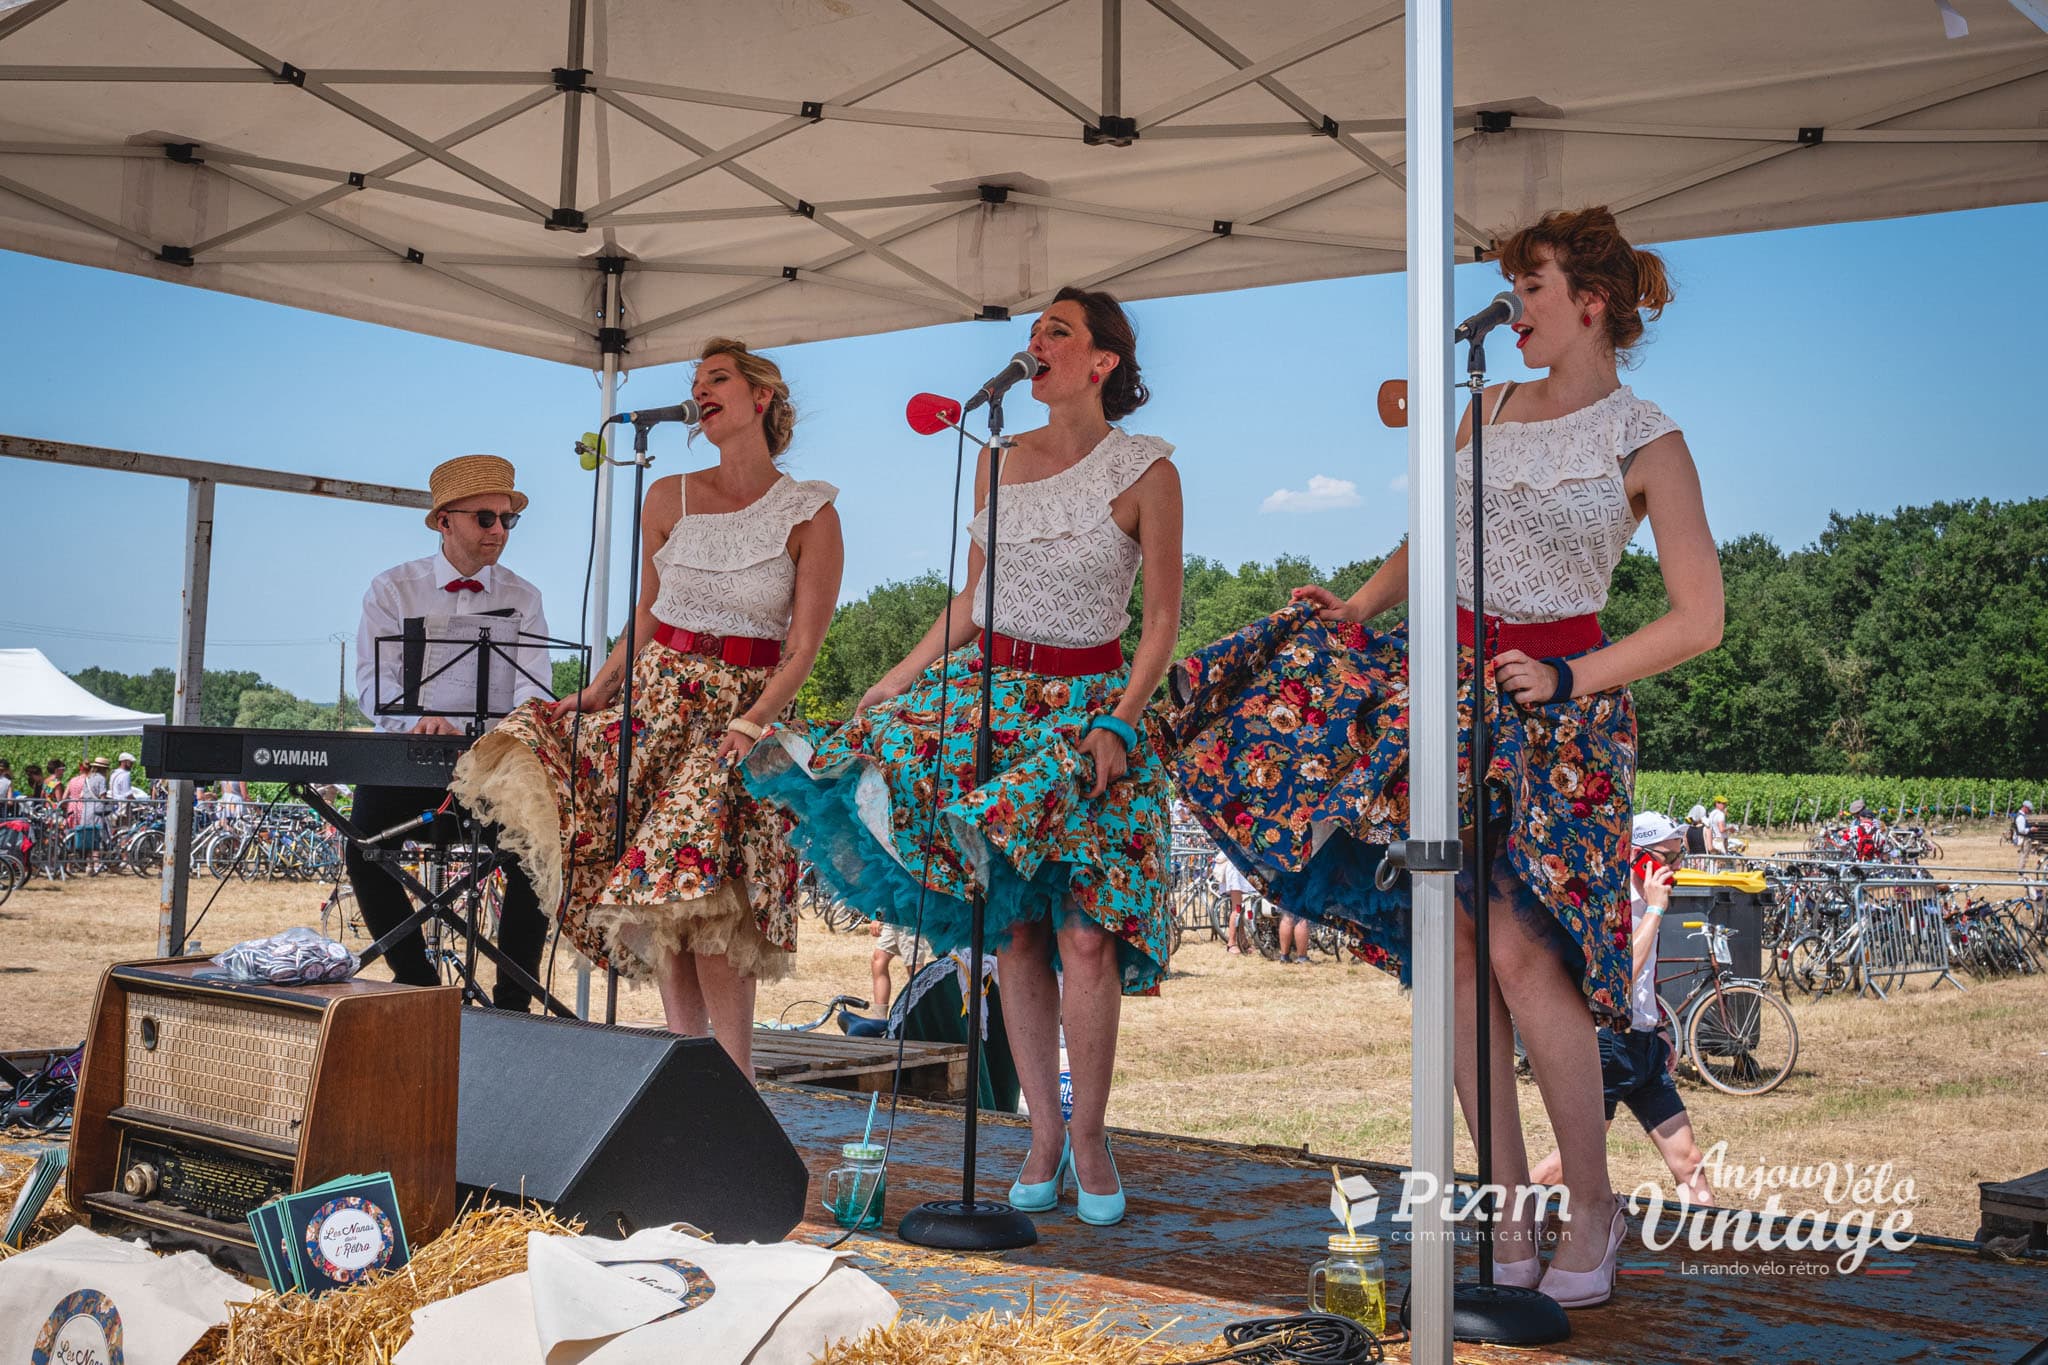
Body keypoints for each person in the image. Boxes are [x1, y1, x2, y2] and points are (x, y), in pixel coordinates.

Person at [1169, 206, 1722, 1307]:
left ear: (1590, 303)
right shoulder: (1484, 408)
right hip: (1442, 691)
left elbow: (1698, 617)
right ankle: (1506, 1207)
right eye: (1507, 289)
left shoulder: (1645, 436)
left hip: (1562, 714)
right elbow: (1435, 532)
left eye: (1529, 291)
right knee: (1457, 954)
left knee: (1526, 955)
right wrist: (1361, 604)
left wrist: (1570, 676)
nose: (1510, 310)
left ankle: (1593, 1209)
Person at [746, 286, 1182, 1228]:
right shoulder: (993, 461)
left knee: (1085, 931)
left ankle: (1093, 1131)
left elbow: (1160, 624)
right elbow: (974, 599)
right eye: (1032, 333)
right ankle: (1038, 1135)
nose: (1037, 345)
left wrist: (1121, 719)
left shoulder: (1148, 469)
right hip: (993, 702)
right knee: (1016, 929)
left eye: (1057, 332)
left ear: (1102, 360)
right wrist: (901, 672)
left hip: (1090, 712)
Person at [454, 340, 841, 1076]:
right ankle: (689, 1077)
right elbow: (649, 613)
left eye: (717, 379)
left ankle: (734, 1081)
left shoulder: (810, 510)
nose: (700, 391)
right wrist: (600, 688)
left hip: (743, 710)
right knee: (665, 898)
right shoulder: (668, 495)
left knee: (708, 895)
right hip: (660, 702)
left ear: (761, 398)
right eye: (695, 383)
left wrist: (754, 721)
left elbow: (804, 647)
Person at [346, 454, 554, 1012]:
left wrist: (500, 736)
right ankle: (414, 980)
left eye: (508, 520)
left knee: (536, 848)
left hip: (491, 763)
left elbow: (533, 693)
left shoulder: (525, 596)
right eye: (485, 518)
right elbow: (373, 685)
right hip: (411, 755)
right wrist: (416, 723)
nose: (499, 532)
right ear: (445, 520)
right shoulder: (393, 589)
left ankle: (515, 1000)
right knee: (362, 843)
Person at [1530, 812, 1713, 1206]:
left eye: (1680, 856)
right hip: (1609, 1047)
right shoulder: (1616, 904)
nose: (1675, 868)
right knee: (1565, 1167)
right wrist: (1655, 911)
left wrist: (1658, 1024)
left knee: (1690, 1162)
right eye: (1668, 858)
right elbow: (1622, 977)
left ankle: (1705, 1257)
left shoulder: (1648, 900)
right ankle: (1498, 1223)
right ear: (1637, 856)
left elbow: (1645, 982)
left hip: (1644, 1045)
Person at [870, 920, 928, 1011]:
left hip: (908, 917)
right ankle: (879, 1018)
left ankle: (925, 1013)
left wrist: (878, 918)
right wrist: (878, 916)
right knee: (878, 959)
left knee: (915, 969)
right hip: (893, 918)